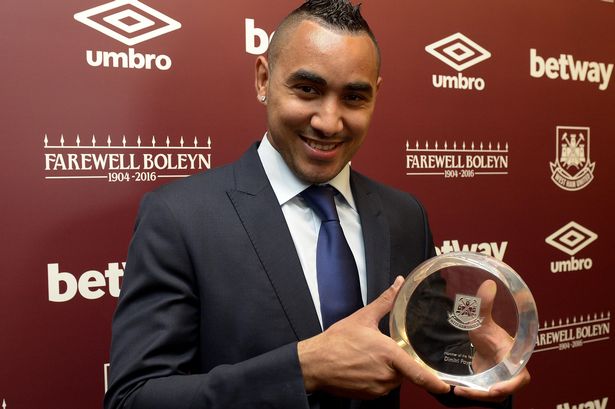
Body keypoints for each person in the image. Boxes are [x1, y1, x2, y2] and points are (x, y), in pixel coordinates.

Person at [104, 1, 529, 408]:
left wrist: (482, 368)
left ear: (376, 96)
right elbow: (135, 397)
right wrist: (304, 368)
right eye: (307, 89)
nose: (329, 121)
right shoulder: (180, 218)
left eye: (354, 97)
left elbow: (436, 358)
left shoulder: (404, 216)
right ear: (263, 79)